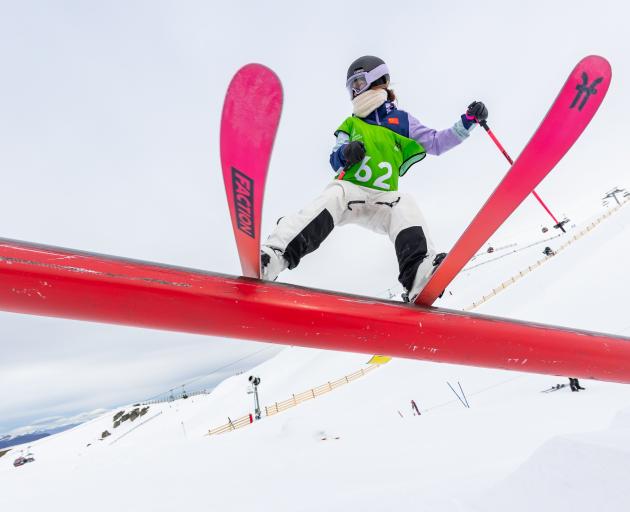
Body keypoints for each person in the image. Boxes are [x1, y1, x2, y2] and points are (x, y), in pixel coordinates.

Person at [261, 56, 487, 301]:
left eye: (358, 83)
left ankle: (419, 274)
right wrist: (345, 153)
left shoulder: (401, 121)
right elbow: (334, 158)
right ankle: (274, 255)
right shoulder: (351, 123)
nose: (355, 92)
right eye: (351, 88)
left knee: (404, 202)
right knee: (333, 194)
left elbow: (436, 142)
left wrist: (468, 121)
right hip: (351, 191)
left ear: (377, 80)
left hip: (383, 199)